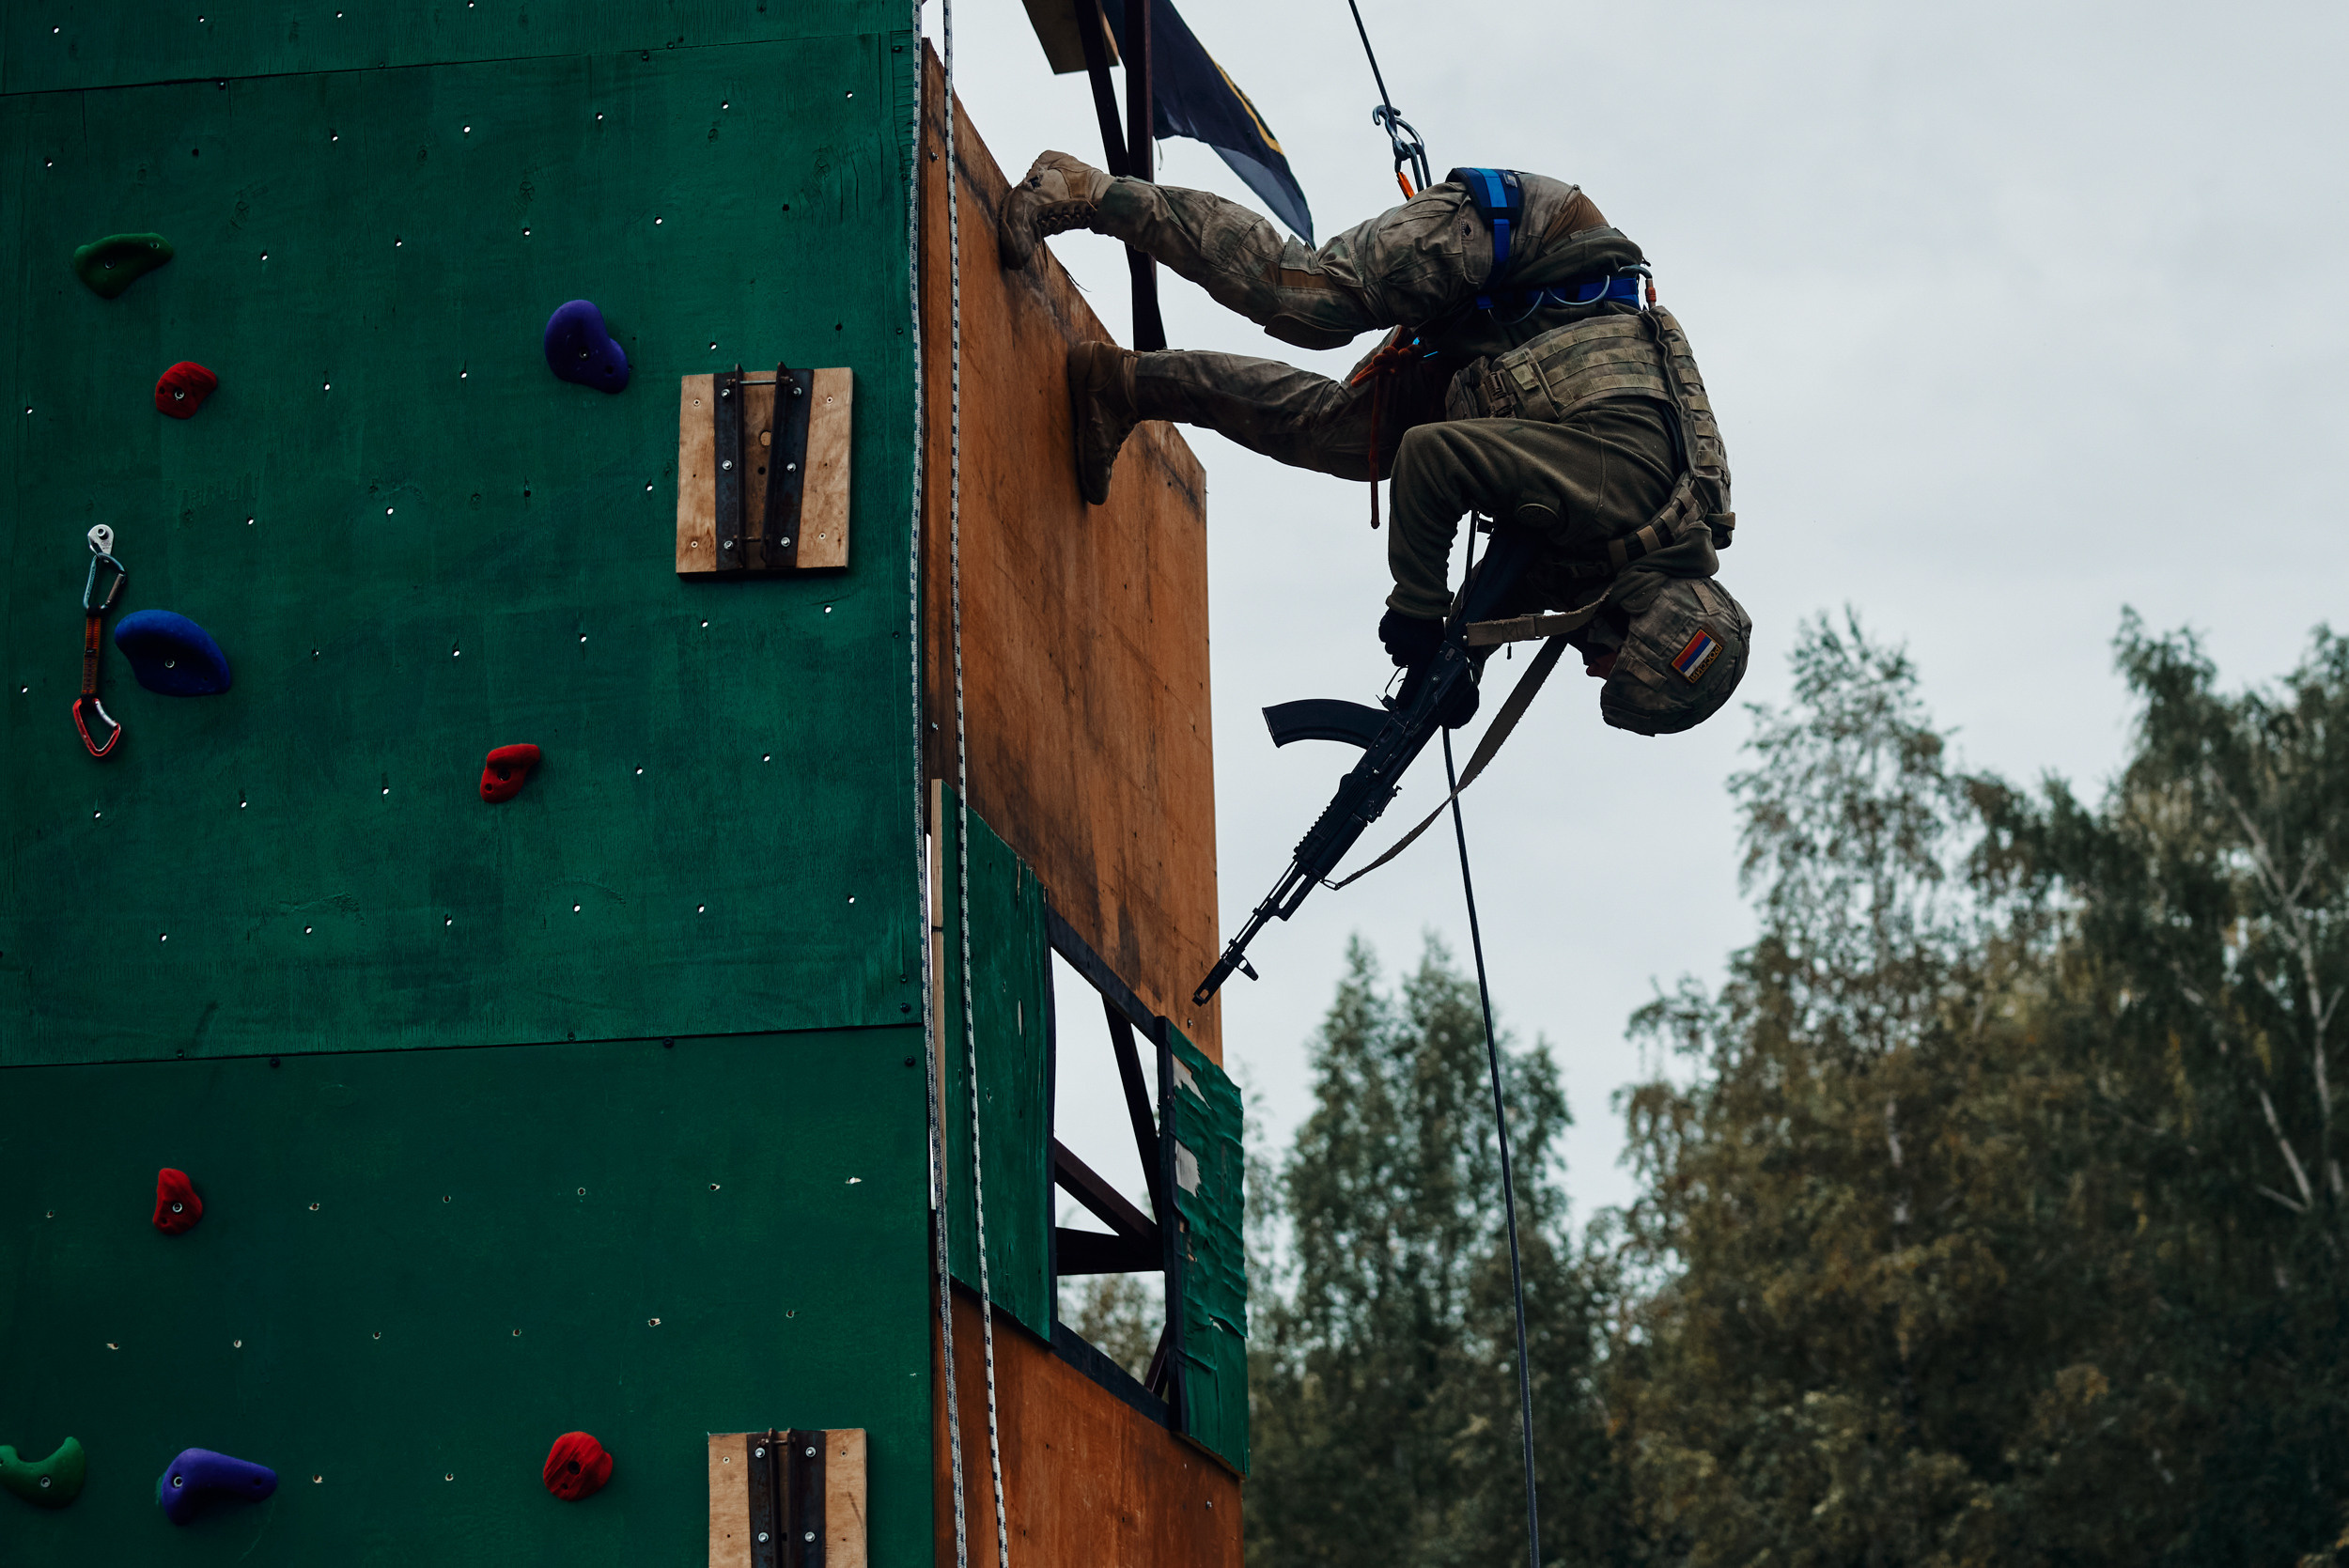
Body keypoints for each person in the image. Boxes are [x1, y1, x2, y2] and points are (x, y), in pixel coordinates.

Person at [997, 154, 1751, 736]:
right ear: (1647, 628)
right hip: (1518, 249)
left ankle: (1119, 387)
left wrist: (1457, 664)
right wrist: (1418, 611)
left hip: (1490, 355)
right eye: (1614, 668)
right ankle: (1086, 191)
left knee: (1341, 438)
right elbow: (1434, 459)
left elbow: (1505, 586)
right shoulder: (1623, 494)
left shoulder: (1619, 561)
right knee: (1309, 298)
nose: (1593, 670)